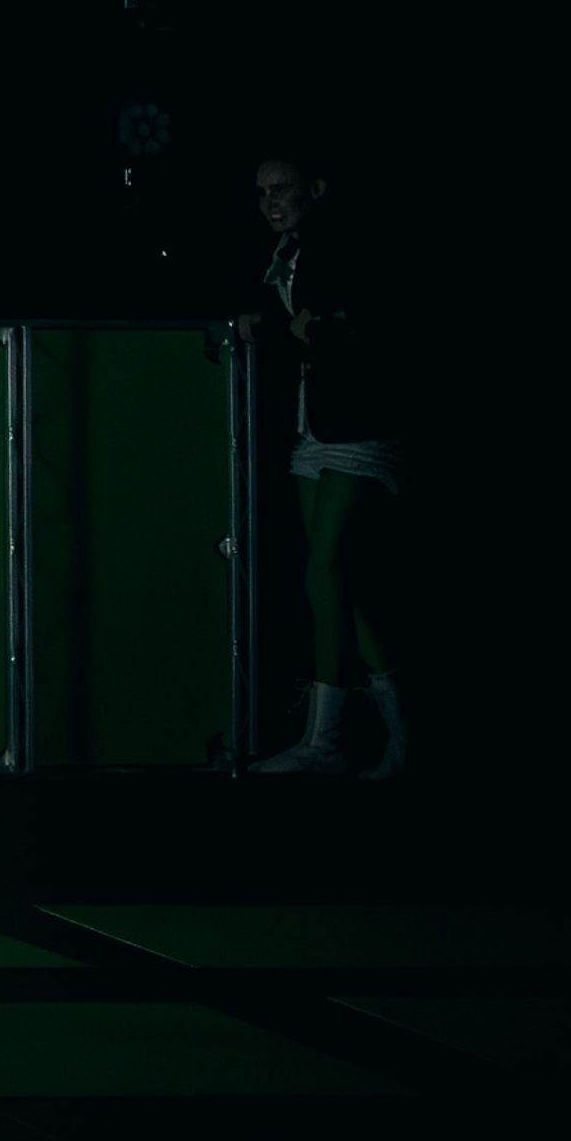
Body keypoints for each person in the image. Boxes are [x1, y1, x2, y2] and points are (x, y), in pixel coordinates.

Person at [249, 151, 406, 778]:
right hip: (315, 428)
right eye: (261, 193)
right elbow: (296, 323)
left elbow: (361, 323)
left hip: (362, 426)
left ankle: (328, 740)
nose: (270, 201)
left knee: (324, 576)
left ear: (315, 188)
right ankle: (395, 737)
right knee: (349, 588)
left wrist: (315, 327)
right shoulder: (287, 252)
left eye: (281, 188)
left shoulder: (344, 242)